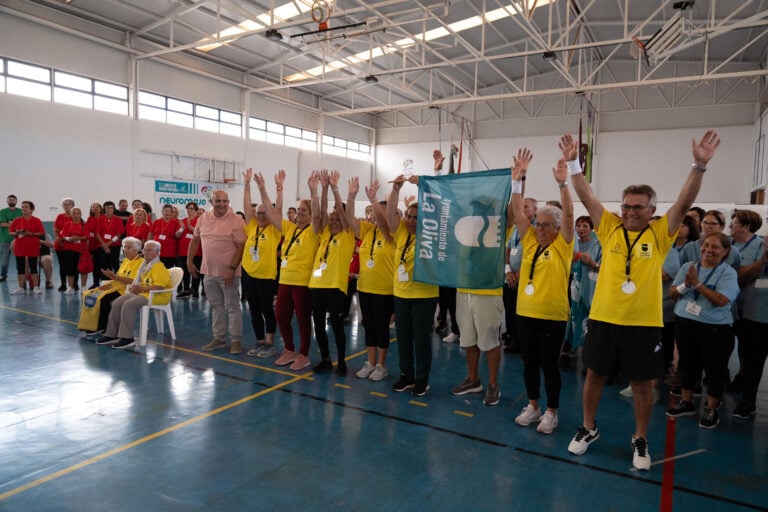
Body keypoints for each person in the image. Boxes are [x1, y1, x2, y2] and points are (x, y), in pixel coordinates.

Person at [563, 129, 721, 471]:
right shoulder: (609, 227)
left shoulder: (660, 232)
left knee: (642, 385)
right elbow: (586, 194)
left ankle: (640, 437)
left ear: (651, 210)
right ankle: (589, 428)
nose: (631, 212)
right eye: (627, 206)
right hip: (605, 317)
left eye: (638, 207)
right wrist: (574, 163)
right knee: (594, 376)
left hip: (643, 322)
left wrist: (700, 165)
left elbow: (683, 201)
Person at [508, 150, 574, 431]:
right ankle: (533, 406)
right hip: (526, 312)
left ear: (557, 228)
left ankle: (551, 411)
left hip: (552, 316)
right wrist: (519, 179)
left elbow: (570, 213)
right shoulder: (531, 241)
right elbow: (517, 210)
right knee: (529, 363)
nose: (539, 228)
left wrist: (563, 184)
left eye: (546, 225)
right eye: (538, 224)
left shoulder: (563, 245)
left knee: (549, 365)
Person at [450, 156, 521, 407]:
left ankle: (492, 384)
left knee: (489, 341)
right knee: (468, 340)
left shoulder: (502, 226)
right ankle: (473, 379)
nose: (477, 209)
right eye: (475, 206)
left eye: (482, 206)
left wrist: (517, 181)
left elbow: (514, 212)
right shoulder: (466, 227)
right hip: (463, 291)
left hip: (488, 292)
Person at [665, 233, 739, 429]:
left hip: (715, 329)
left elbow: (722, 300)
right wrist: (685, 285)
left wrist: (697, 284)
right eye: (705, 245)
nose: (708, 250)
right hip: (686, 324)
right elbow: (672, 293)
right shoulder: (687, 267)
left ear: (725, 252)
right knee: (688, 365)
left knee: (715, 370)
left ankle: (712, 408)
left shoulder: (728, 273)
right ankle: (687, 402)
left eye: (714, 247)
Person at [386, 175, 439, 397]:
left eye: (416, 217)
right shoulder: (401, 233)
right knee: (403, 337)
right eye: (409, 216)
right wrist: (396, 190)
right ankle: (406, 375)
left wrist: (422, 185)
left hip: (424, 295)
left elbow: (436, 207)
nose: (411, 220)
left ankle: (421, 378)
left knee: (421, 339)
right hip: (401, 294)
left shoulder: (430, 235)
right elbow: (390, 215)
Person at [260, 177, 320, 371]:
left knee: (303, 319)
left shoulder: (314, 231)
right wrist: (264, 188)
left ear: (310, 214)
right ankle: (289, 349)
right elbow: (272, 212)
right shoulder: (291, 229)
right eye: (299, 209)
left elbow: (319, 216)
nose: (300, 212)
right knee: (281, 316)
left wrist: (313, 191)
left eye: (304, 210)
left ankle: (304, 354)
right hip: (285, 280)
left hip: (303, 282)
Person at [347, 178, 395, 382]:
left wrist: (374, 200)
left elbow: (384, 224)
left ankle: (382, 365)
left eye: (378, 214)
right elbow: (349, 218)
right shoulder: (367, 232)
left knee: (382, 328)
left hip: (385, 290)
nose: (374, 217)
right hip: (365, 288)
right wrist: (351, 196)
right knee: (369, 327)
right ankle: (370, 361)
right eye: (374, 214)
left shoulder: (392, 233)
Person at [307, 170, 356, 375]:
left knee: (336, 326)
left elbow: (343, 217)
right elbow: (323, 211)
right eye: (332, 218)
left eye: (338, 218)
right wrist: (321, 188)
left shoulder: (347, 236)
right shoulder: (326, 234)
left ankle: (342, 360)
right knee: (318, 325)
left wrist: (336, 189)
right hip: (317, 286)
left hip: (335, 287)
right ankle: (326, 358)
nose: (334, 220)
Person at [188, 190, 247, 354]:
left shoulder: (236, 219)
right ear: (212, 202)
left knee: (233, 307)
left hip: (229, 274)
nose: (222, 204)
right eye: (218, 201)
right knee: (216, 307)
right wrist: (189, 260)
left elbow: (242, 246)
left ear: (228, 202)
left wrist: (232, 268)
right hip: (208, 273)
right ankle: (219, 338)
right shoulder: (203, 218)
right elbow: (195, 240)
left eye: (225, 201)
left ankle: (236, 340)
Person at [94, 240, 171, 350]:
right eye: (144, 249)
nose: (145, 252)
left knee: (128, 304)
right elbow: (138, 281)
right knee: (117, 302)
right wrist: (136, 287)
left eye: (149, 250)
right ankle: (111, 334)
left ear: (156, 253)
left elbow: (160, 286)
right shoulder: (144, 265)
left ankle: (127, 338)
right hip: (142, 292)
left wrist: (142, 289)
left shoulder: (159, 267)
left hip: (155, 295)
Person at [243, 169, 284, 358]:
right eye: (258, 213)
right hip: (249, 275)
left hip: (266, 276)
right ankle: (259, 341)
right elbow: (246, 207)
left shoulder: (275, 230)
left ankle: (269, 342)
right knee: (254, 310)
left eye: (264, 213)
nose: (260, 216)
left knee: (267, 310)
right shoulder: (252, 227)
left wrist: (267, 188)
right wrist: (246, 185)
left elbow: (278, 209)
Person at [732, 228, 768, 418]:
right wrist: (763, 260)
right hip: (756, 315)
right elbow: (741, 276)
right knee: (752, 360)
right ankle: (748, 400)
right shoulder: (757, 245)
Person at [81, 237, 144, 337]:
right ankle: (91, 325)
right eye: (124, 247)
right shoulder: (125, 261)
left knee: (105, 299)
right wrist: (111, 276)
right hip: (116, 285)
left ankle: (103, 326)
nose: (125, 250)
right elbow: (118, 277)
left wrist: (115, 277)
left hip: (126, 290)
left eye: (129, 248)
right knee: (91, 294)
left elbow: (133, 281)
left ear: (137, 250)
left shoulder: (141, 263)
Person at [564, 215, 601, 365]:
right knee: (571, 314)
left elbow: (601, 266)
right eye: (578, 226)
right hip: (571, 283)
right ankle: (569, 346)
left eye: (585, 226)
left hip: (590, 287)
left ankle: (588, 351)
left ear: (591, 229)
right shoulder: (572, 243)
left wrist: (592, 263)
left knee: (586, 317)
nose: (581, 229)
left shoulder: (596, 245)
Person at [503, 197, 537, 354]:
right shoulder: (516, 228)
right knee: (510, 310)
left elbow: (534, 253)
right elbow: (508, 249)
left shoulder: (538, 229)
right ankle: (515, 339)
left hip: (527, 279)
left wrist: (520, 272)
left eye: (526, 207)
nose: (522, 210)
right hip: (511, 277)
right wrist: (508, 270)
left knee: (525, 315)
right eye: (521, 207)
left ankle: (526, 345)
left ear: (535, 210)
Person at [9, 201, 46, 295]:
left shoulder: (36, 220)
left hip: (32, 247)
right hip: (19, 247)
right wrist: (16, 233)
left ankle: (36, 287)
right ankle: (20, 287)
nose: (24, 208)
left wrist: (30, 233)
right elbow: (11, 232)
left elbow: (42, 233)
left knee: (33, 267)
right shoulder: (17, 220)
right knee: (20, 268)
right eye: (22, 207)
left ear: (32, 209)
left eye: (26, 207)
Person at [59, 207, 90, 293]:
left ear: (80, 214)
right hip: (69, 250)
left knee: (83, 269)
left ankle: (83, 287)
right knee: (70, 269)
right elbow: (63, 236)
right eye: (74, 213)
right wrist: (70, 239)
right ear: (71, 215)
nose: (75, 215)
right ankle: (71, 287)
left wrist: (78, 237)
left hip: (82, 250)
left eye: (77, 213)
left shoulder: (85, 225)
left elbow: (87, 236)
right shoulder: (66, 224)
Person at [177, 202, 202, 299]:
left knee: (195, 271)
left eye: (191, 209)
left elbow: (200, 234)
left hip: (196, 251)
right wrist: (182, 228)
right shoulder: (182, 221)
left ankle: (195, 290)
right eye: (188, 208)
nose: (189, 210)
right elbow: (177, 235)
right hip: (183, 250)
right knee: (185, 272)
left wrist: (191, 228)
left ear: (196, 210)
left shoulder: (199, 220)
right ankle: (186, 289)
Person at [96, 201, 125, 273]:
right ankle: (104, 282)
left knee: (115, 264)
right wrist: (104, 245)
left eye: (110, 208)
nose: (109, 209)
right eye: (107, 208)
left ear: (114, 209)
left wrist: (108, 244)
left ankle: (117, 282)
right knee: (103, 265)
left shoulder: (118, 219)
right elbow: (97, 233)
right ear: (104, 209)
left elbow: (119, 234)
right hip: (102, 245)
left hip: (114, 246)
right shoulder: (100, 219)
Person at [53, 197, 75, 291]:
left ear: (72, 206)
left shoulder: (76, 216)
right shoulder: (60, 216)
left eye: (68, 204)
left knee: (72, 265)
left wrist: (67, 240)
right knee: (62, 265)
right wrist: (59, 239)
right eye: (64, 204)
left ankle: (74, 284)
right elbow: (56, 229)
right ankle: (63, 283)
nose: (66, 206)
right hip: (60, 245)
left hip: (71, 245)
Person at [0, 194, 23, 282]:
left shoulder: (21, 211)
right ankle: (3, 274)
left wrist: (9, 222)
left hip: (19, 238)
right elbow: (2, 224)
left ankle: (22, 274)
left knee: (21, 257)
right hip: (5, 239)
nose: (11, 201)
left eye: (13, 200)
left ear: (16, 201)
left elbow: (22, 225)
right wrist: (15, 223)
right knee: (5, 258)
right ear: (7, 201)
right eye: (10, 200)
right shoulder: (2, 211)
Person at [150, 204, 181, 269]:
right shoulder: (156, 222)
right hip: (156, 252)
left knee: (167, 271)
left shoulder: (176, 223)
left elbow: (178, 236)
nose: (167, 213)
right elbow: (151, 234)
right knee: (155, 270)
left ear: (172, 213)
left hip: (170, 253)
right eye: (165, 211)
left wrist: (182, 228)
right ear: (162, 212)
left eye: (169, 211)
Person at [84, 202, 104, 288]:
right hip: (92, 244)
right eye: (93, 207)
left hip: (101, 243)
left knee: (102, 264)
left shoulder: (104, 218)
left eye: (97, 207)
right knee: (95, 264)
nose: (95, 208)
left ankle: (104, 282)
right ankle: (96, 282)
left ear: (100, 208)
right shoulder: (90, 219)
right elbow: (87, 230)